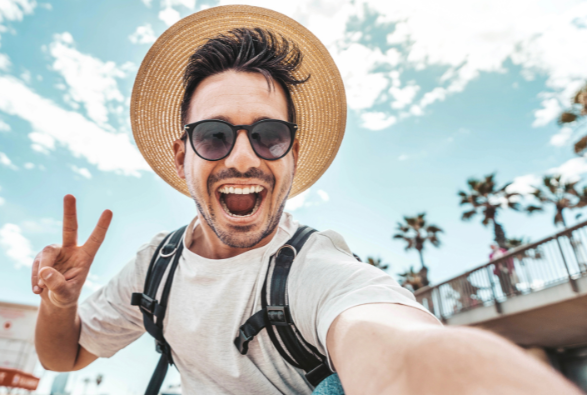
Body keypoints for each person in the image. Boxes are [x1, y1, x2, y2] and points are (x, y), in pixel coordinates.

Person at [30, 6, 580, 395]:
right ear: (182, 156)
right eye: (215, 136)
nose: (243, 158)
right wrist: (59, 304)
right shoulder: (154, 268)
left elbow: (400, 348)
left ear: (291, 156)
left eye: (268, 135)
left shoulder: (320, 271)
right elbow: (65, 355)